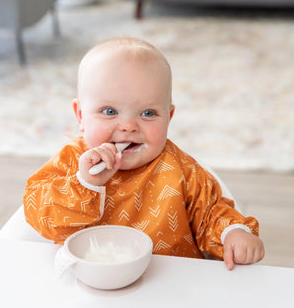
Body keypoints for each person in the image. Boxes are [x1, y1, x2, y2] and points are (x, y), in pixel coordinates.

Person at [23, 37, 264, 270]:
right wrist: (85, 183)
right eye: (109, 111)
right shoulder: (72, 161)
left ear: (168, 118)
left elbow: (211, 212)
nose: (129, 126)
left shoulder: (181, 169)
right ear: (80, 116)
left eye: (147, 113)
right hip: (91, 282)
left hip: (172, 284)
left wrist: (233, 233)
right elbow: (38, 212)